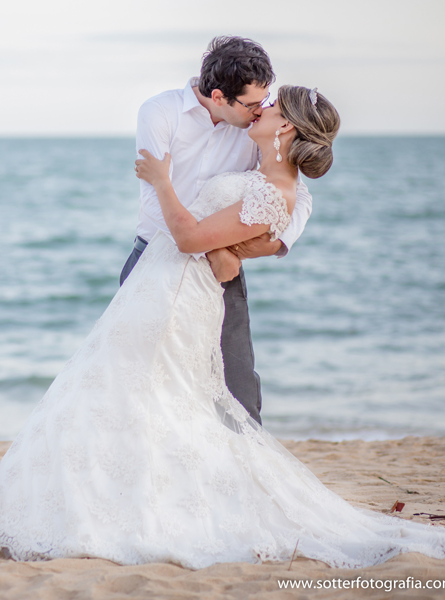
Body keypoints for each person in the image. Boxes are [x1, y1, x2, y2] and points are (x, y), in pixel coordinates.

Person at [0, 85, 445, 569]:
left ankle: (168, 508)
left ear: (286, 130)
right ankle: (114, 499)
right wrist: (222, 245)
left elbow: (197, 236)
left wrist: (162, 183)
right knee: (126, 394)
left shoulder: (282, 191)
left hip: (177, 294)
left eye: (272, 108)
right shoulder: (258, 165)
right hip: (160, 282)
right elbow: (220, 245)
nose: (260, 109)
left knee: (169, 397)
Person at [121, 36, 313, 425]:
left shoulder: (256, 129)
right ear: (218, 95)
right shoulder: (160, 113)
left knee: (238, 383)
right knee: (142, 381)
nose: (260, 110)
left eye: (265, 99)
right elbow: (155, 199)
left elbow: (295, 194)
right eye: (252, 103)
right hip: (154, 262)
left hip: (222, 274)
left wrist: (253, 248)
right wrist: (210, 248)